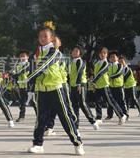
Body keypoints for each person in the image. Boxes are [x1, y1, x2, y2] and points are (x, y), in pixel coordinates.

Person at [21, 21, 84, 156]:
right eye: (40, 37)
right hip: (42, 90)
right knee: (41, 118)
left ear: (51, 38)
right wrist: (30, 88)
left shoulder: (55, 53)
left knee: (65, 117)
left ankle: (78, 143)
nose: (42, 39)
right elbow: (32, 67)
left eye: (45, 36)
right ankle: (38, 144)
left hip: (56, 89)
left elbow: (43, 66)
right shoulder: (36, 54)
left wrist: (28, 78)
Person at [89, 47, 125, 127]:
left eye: (104, 53)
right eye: (101, 53)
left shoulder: (106, 63)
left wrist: (94, 81)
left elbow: (100, 73)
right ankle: (99, 118)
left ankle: (121, 115)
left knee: (111, 101)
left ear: (106, 55)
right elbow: (95, 74)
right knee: (97, 102)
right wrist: (93, 84)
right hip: (98, 86)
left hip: (105, 85)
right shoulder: (97, 63)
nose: (102, 54)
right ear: (99, 54)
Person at [68, 46, 98, 129]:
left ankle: (93, 121)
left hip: (81, 85)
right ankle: (75, 125)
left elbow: (80, 72)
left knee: (82, 103)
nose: (74, 52)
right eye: (73, 51)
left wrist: (78, 84)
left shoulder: (80, 61)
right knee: (74, 106)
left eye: (76, 51)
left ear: (80, 53)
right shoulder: (71, 62)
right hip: (73, 86)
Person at [106, 51, 128, 124]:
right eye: (111, 57)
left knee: (121, 101)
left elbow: (118, 73)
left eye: (114, 56)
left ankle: (125, 114)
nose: (112, 58)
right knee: (112, 102)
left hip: (119, 86)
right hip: (111, 87)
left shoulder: (119, 65)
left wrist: (110, 77)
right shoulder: (108, 66)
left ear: (117, 58)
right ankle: (118, 116)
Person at [11, 51, 30, 122]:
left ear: (27, 57)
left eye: (24, 56)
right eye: (21, 56)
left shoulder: (29, 64)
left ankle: (39, 116)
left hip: (29, 86)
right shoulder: (18, 65)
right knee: (22, 102)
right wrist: (11, 75)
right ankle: (21, 116)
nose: (22, 57)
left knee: (34, 102)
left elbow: (22, 71)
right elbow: (14, 73)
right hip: (21, 86)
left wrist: (15, 75)